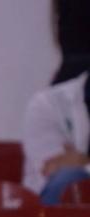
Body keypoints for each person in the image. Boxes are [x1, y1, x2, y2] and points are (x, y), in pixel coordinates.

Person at [21, 69, 90, 203]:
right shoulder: (47, 103)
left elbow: (77, 165)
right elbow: (54, 169)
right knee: (69, 179)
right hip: (53, 205)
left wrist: (85, 162)